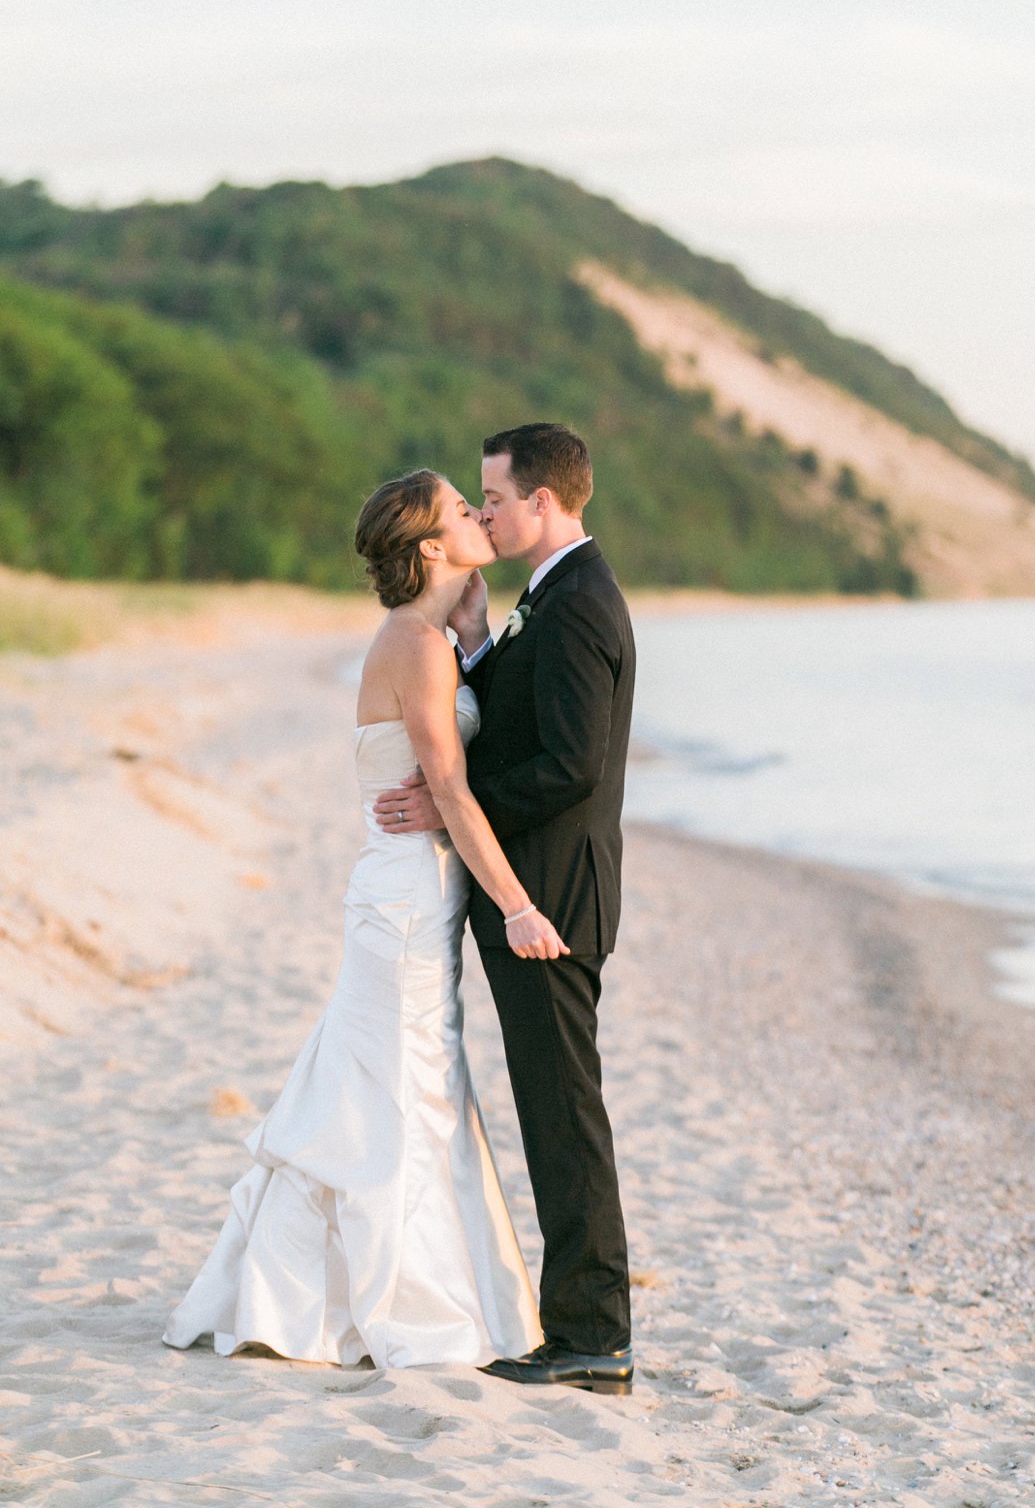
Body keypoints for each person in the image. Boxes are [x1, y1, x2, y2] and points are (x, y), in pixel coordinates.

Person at [162, 470, 565, 1370]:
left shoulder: (432, 640)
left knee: (398, 1080)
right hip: (408, 899)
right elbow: (450, 790)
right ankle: (393, 1306)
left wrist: (476, 640)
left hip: (410, 891)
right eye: (463, 509)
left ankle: (342, 1290)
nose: (477, 514)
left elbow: (453, 765)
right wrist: (521, 906)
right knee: (404, 1088)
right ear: (431, 547)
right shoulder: (413, 646)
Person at [374, 423, 636, 1395]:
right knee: (551, 1111)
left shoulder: (575, 605)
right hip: (541, 893)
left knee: (564, 1116)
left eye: (493, 497)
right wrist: (481, 638)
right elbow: (521, 719)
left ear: (543, 502)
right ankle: (580, 1326)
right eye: (476, 501)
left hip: (553, 901)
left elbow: (569, 766)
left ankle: (592, 1334)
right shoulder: (551, 593)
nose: (484, 514)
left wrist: (455, 809)